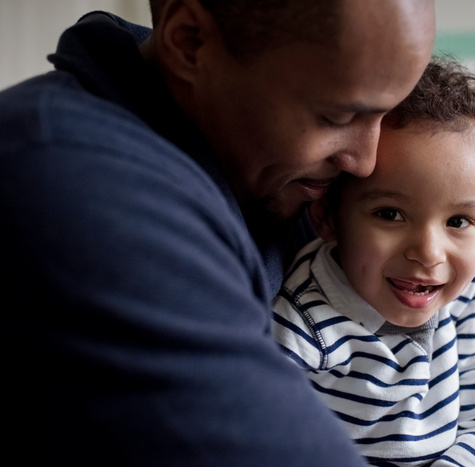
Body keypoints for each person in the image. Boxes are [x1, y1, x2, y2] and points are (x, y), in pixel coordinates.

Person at [0, 0, 435, 465]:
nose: (364, 162)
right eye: (336, 117)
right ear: (191, 42)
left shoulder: (275, 173)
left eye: (385, 117)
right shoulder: (71, 186)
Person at [272, 58, 475, 466]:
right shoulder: (304, 319)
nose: (428, 252)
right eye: (390, 214)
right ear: (327, 218)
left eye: (458, 221)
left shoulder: (473, 288)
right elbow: (269, 443)